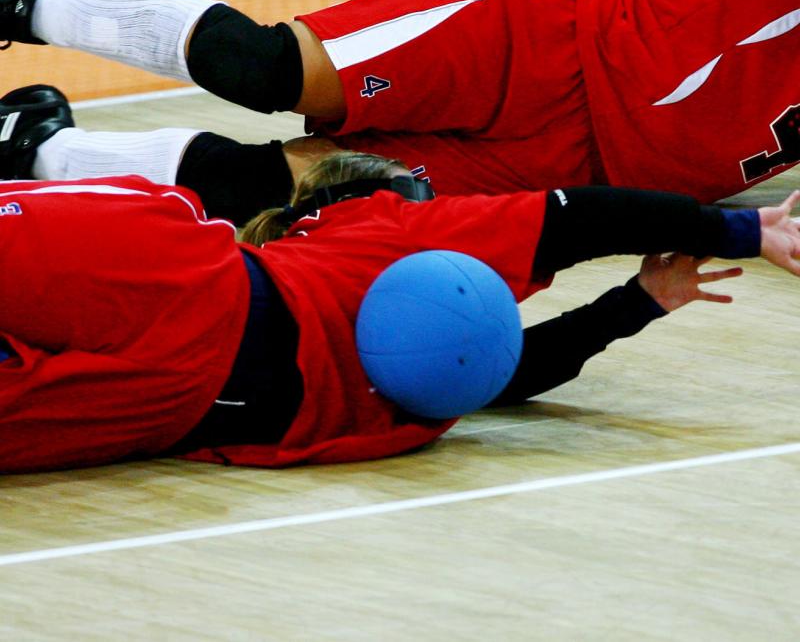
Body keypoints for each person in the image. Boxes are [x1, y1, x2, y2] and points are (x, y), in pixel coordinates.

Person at [5, 0, 800, 221]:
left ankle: (38, 149)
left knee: (285, 193)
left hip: (571, 171)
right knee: (269, 70)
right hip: (533, 48)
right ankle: (30, 3)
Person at [2, 146, 798, 474]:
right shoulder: (410, 369)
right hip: (195, 407)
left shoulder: (373, 228)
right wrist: (633, 305)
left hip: (188, 286)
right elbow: (503, 372)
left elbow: (579, 215)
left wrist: (741, 227)